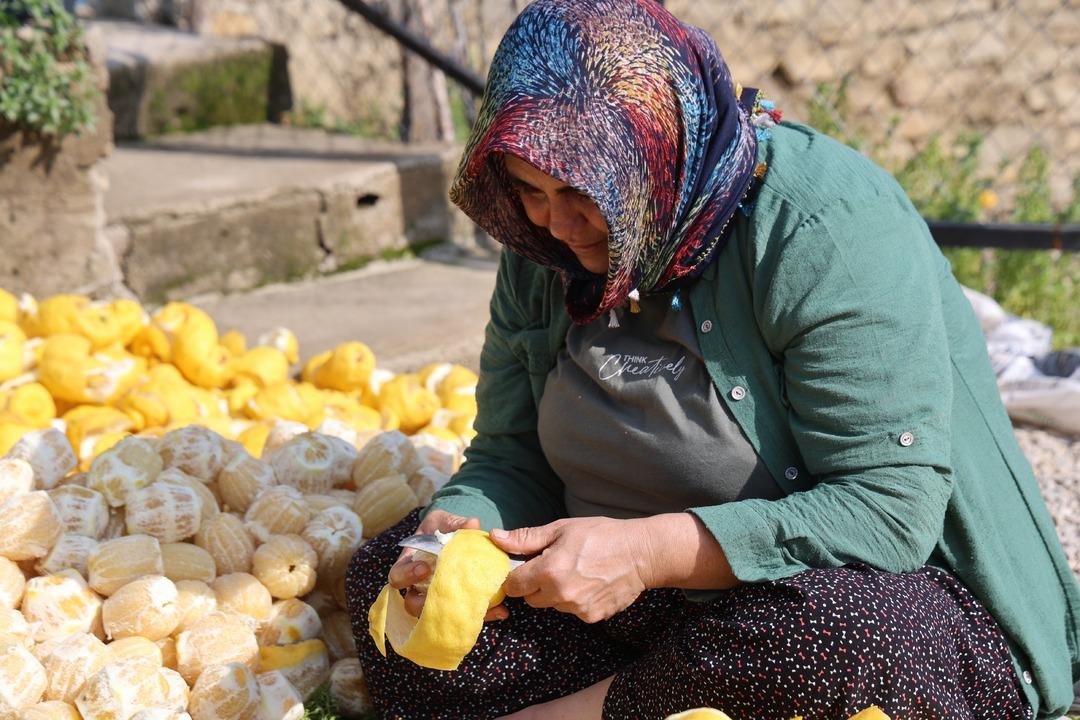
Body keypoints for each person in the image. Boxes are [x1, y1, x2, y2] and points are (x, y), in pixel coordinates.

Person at [345, 0, 1080, 718]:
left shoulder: (824, 227)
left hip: (834, 597)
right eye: (530, 193)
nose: (557, 225)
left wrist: (646, 553)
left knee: (849, 636)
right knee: (385, 580)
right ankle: (667, 697)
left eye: (582, 192)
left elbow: (887, 513)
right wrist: (454, 533)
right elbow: (510, 455)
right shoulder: (543, 246)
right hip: (645, 623)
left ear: (662, 151)